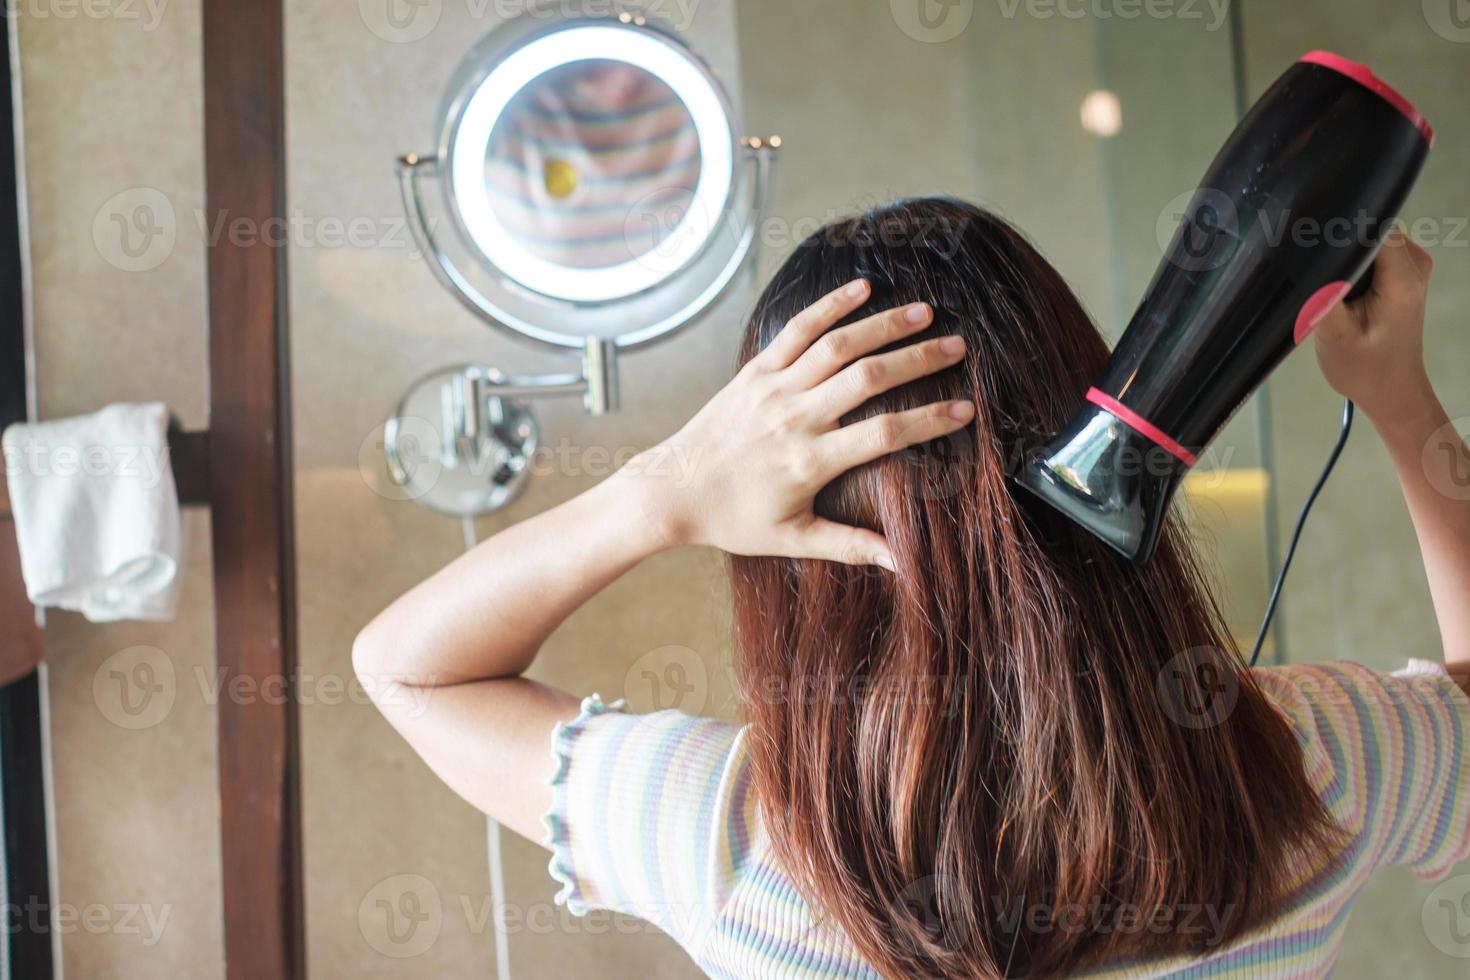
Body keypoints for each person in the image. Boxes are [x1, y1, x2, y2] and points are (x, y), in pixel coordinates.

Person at [354, 198, 1469, 977]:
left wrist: (667, 491)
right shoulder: (1312, 766)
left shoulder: (733, 841)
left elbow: (405, 668)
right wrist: (1398, 394)